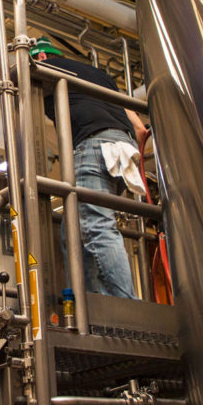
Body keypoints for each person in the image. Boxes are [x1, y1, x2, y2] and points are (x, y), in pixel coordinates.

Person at [31, 36, 145, 299]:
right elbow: (139, 128)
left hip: (93, 147)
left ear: (42, 57)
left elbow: (22, 77)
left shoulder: (50, 66)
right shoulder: (98, 76)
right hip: (123, 152)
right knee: (71, 233)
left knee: (96, 227)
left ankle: (126, 304)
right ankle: (91, 305)